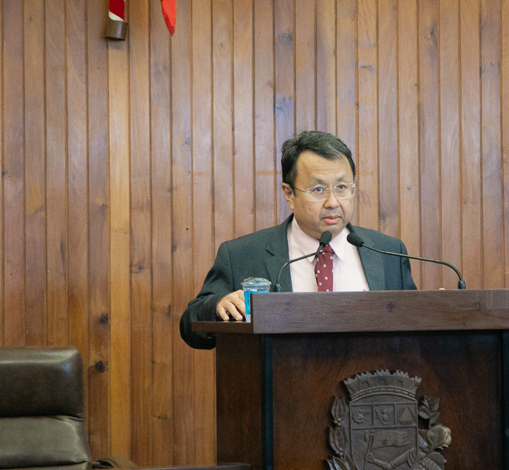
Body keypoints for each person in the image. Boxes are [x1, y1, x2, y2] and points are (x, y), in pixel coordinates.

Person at [179, 131, 417, 349]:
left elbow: (415, 328)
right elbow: (191, 326)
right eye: (318, 190)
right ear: (289, 194)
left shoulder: (388, 252)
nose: (333, 202)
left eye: (342, 187)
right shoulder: (242, 254)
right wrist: (219, 307)